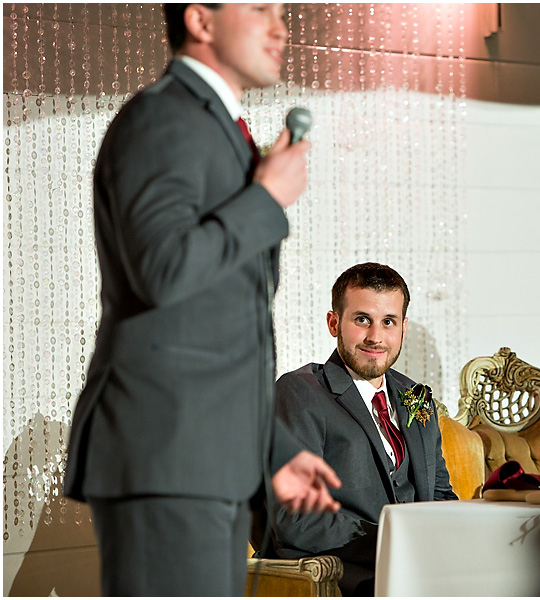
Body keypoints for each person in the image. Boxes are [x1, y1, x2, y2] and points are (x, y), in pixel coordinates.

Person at [62, 4, 341, 596]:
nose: (280, 27)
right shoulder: (163, 117)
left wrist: (273, 447)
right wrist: (265, 200)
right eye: (260, 8)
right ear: (201, 20)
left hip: (207, 459)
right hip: (166, 456)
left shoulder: (217, 128)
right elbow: (161, 270)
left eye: (284, 11)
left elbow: (212, 327)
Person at [263, 262, 457, 596]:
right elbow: (296, 519)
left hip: (426, 571)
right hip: (343, 575)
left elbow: (440, 497)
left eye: (388, 322)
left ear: (403, 328)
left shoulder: (417, 398)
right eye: (362, 319)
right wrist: (396, 543)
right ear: (333, 322)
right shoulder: (300, 392)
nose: (376, 337)